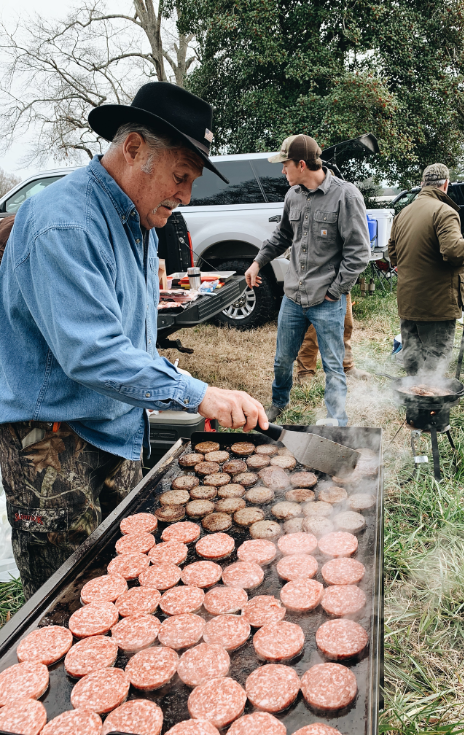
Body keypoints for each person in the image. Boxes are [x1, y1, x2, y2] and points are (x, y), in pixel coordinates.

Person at [0, 82, 268, 599]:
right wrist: (197, 393)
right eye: (181, 176)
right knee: (67, 594)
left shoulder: (138, 216)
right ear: (134, 149)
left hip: (116, 421)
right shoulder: (65, 222)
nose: (187, 195)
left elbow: (129, 328)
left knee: (122, 572)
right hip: (51, 435)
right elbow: (93, 351)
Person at [245, 135, 370, 425]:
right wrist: (257, 262)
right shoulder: (293, 195)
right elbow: (282, 236)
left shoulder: (346, 195)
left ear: (302, 164)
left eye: (285, 164)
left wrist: (336, 290)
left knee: (333, 365)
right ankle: (278, 402)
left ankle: (338, 418)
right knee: (282, 360)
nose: (282, 171)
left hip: (326, 300)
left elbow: (359, 251)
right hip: (293, 297)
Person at [388, 163, 464, 376]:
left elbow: (393, 254)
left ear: (422, 184)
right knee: (435, 365)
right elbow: (454, 251)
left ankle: (414, 408)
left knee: (413, 363)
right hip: (437, 306)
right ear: (445, 185)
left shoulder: (403, 213)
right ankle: (430, 408)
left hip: (408, 302)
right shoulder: (445, 212)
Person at [295, 294, 370, 385]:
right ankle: (305, 371)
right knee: (311, 331)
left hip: (341, 285)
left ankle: (346, 366)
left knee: (346, 325)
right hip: (316, 287)